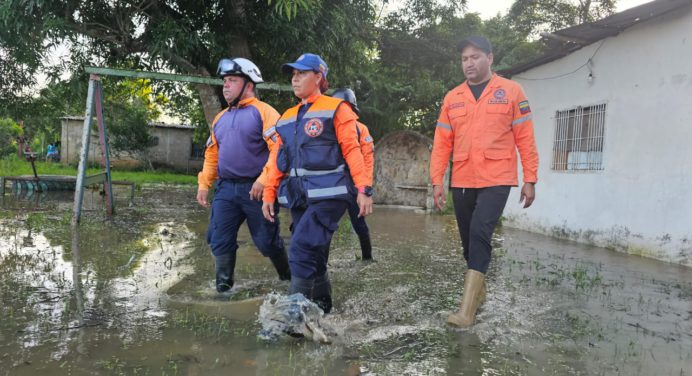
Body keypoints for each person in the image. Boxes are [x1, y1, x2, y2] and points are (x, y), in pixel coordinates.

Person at [429, 36, 539, 327]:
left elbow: (525, 138)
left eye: (475, 57)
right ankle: (479, 293)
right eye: (465, 59)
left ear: (490, 58)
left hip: (497, 177)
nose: (469, 63)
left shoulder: (512, 92)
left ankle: (466, 313)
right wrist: (437, 180)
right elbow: (442, 142)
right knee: (468, 242)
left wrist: (530, 178)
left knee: (480, 232)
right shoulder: (453, 98)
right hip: (463, 177)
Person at [261, 53, 373, 313]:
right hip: (299, 196)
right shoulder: (287, 117)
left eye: (301, 73)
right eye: (293, 74)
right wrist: (269, 193)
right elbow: (278, 159)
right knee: (315, 254)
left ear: (319, 76)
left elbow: (353, 151)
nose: (295, 78)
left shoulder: (336, 109)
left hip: (330, 195)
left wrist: (364, 189)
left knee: (300, 249)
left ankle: (294, 317)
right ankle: (323, 308)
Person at [197, 57, 290, 293]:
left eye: (232, 80)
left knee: (266, 243)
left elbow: (278, 149)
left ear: (249, 84)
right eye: (225, 81)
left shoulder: (264, 112)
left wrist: (264, 179)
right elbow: (212, 154)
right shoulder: (220, 118)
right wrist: (204, 183)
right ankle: (223, 291)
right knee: (218, 238)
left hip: (257, 190)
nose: (225, 85)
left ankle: (287, 277)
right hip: (226, 190)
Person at [329, 88, 374, 261]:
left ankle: (367, 259)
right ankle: (320, 268)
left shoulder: (361, 129)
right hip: (334, 183)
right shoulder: (327, 127)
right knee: (326, 225)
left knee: (359, 223)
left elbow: (368, 159)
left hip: (355, 183)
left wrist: (365, 188)